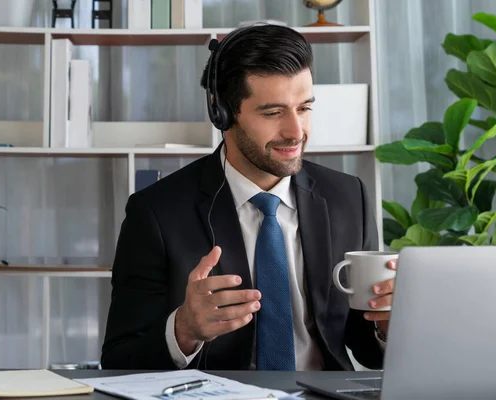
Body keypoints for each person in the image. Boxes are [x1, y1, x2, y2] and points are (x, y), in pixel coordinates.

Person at [100, 23, 396, 371]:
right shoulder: (155, 212)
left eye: (304, 108)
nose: (295, 132)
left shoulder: (349, 197)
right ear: (222, 112)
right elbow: (119, 359)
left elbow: (365, 349)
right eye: (272, 113)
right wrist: (184, 330)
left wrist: (387, 327)